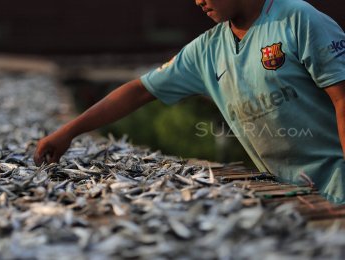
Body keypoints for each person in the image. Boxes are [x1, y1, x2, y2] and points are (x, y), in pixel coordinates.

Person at [34, 0, 345, 204]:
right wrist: (69, 131)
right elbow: (139, 90)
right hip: (288, 189)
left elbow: (342, 100)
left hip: (337, 182)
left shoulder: (298, 19)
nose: (198, 1)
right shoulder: (207, 49)